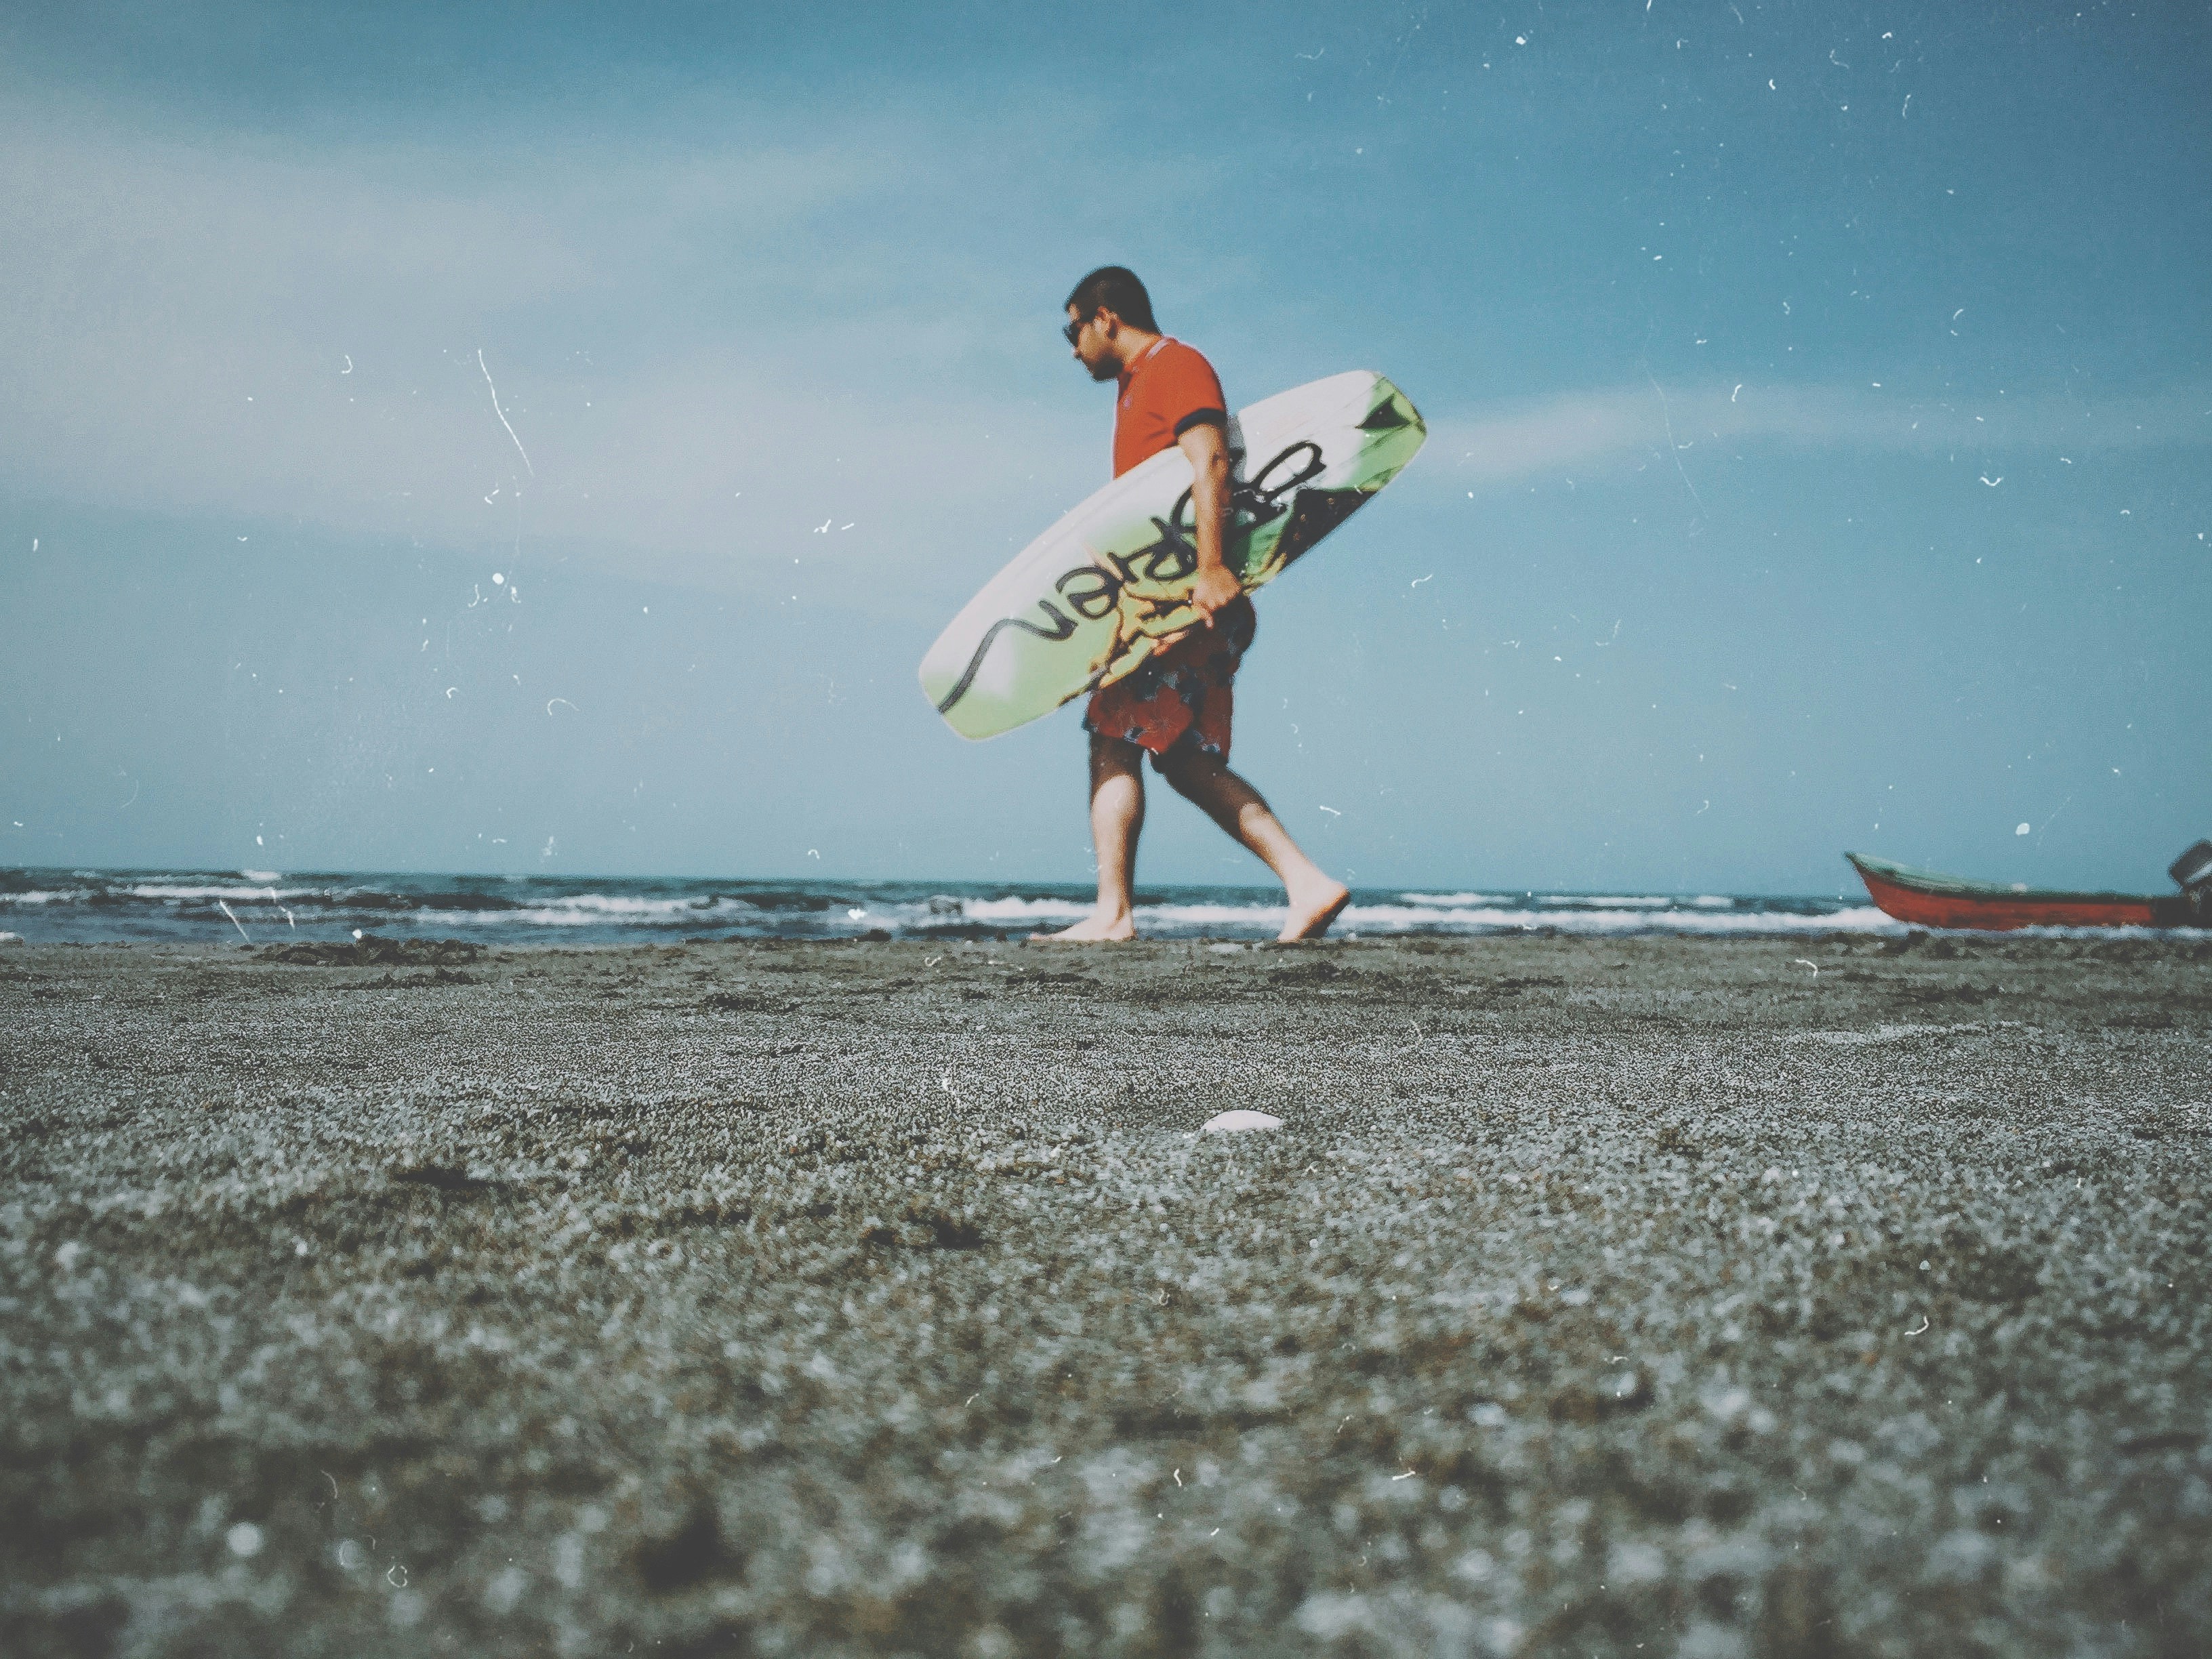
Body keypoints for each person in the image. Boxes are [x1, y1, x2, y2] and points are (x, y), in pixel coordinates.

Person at [1038, 266, 1351, 944]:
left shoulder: (1175, 367)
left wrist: (1210, 569)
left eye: (1073, 329)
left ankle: (1113, 913)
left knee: (1111, 740)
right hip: (1178, 604)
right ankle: (1307, 883)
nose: (1072, 348)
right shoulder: (1132, 390)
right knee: (1184, 761)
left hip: (1187, 605)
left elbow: (1210, 461)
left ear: (1105, 318)